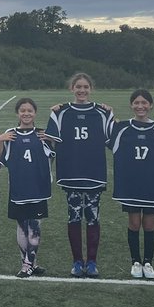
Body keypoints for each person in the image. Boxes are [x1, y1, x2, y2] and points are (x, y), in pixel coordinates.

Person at [108, 90, 154, 280]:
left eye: (144, 103)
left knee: (149, 224)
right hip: (131, 183)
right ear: (131, 105)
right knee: (134, 223)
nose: (140, 106)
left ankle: (148, 262)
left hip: (153, 183)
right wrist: (107, 113)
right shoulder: (121, 128)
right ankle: (135, 261)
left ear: (151, 106)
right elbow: (106, 137)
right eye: (136, 103)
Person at [47, 73, 114, 278]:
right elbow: (50, 142)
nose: (82, 90)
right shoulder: (60, 112)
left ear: (90, 89)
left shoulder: (103, 113)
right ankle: (77, 261)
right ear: (72, 89)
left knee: (93, 217)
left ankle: (92, 262)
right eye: (78, 87)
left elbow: (114, 139)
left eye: (85, 87)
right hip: (71, 172)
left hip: (93, 172)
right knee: (74, 215)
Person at [0, 98, 54, 278]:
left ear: (35, 113)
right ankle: (28, 263)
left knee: (35, 226)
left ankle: (29, 264)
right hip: (18, 188)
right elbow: (2, 161)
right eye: (22, 110)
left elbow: (52, 156)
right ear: (17, 113)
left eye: (30, 110)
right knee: (22, 227)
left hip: (38, 188)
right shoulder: (10, 134)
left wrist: (52, 140)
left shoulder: (42, 134)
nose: (26, 113)